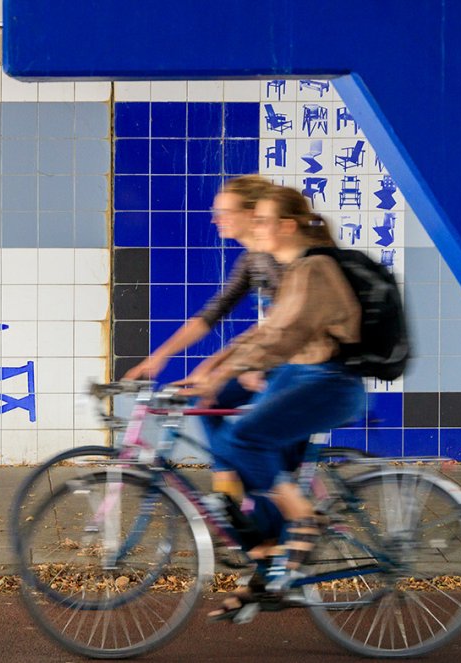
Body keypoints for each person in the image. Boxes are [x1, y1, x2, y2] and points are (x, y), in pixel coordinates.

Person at [178, 185, 367, 619]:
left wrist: (226, 372)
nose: (251, 230)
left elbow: (281, 336)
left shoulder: (313, 269)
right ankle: (268, 569)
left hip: (325, 383)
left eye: (260, 221)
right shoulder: (293, 268)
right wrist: (215, 373)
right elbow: (264, 333)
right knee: (242, 449)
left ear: (284, 227)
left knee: (241, 442)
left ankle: (302, 523)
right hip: (303, 377)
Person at [122, 174, 282, 506]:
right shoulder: (253, 260)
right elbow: (211, 315)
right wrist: (160, 355)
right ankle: (233, 498)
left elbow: (278, 329)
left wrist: (214, 366)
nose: (215, 219)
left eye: (225, 211)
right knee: (208, 403)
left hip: (297, 362)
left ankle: (264, 512)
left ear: (253, 214)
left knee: (251, 438)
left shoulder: (278, 259)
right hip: (274, 356)